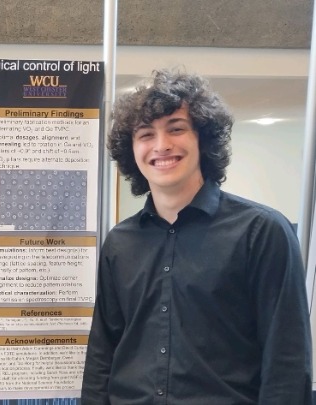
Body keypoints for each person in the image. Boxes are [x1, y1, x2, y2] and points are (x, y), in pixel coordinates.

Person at [81, 69, 312, 404]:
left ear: (203, 138)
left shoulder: (262, 232)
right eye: (146, 134)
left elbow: (286, 361)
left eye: (176, 129)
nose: (161, 145)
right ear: (131, 150)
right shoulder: (120, 242)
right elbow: (103, 352)